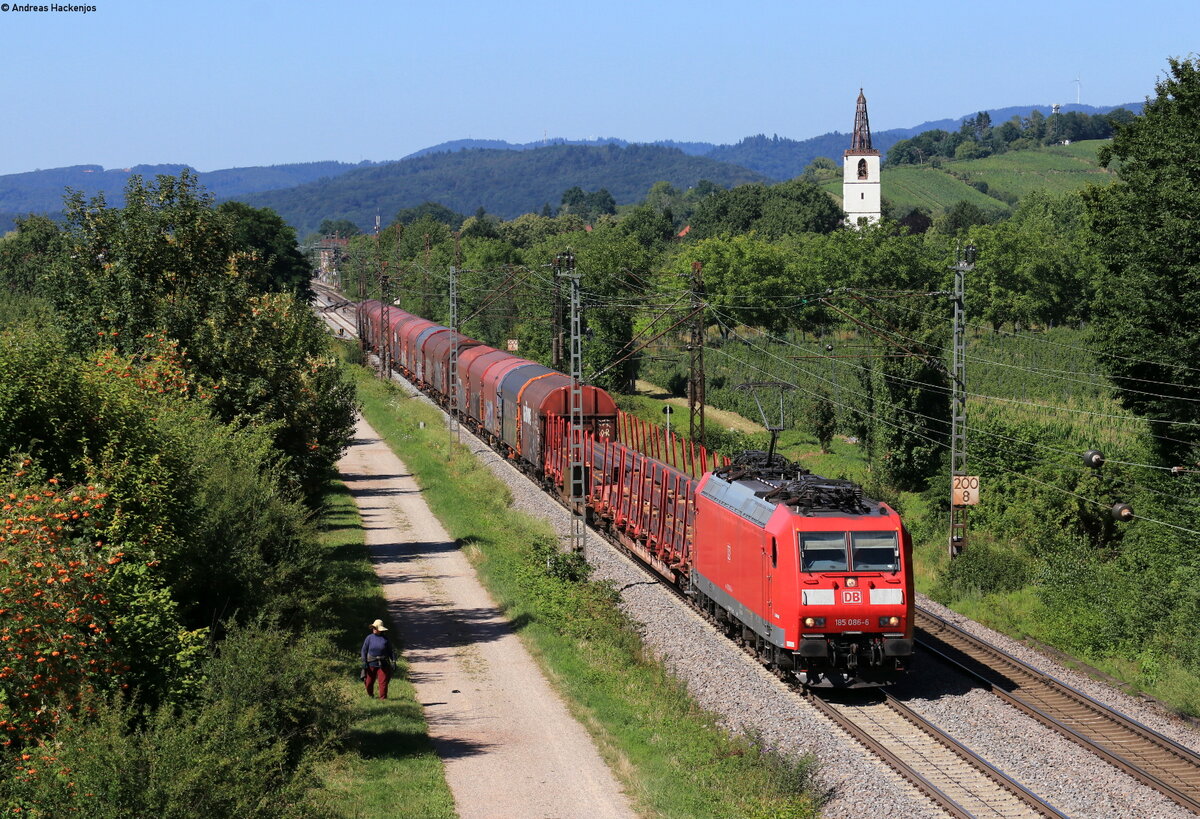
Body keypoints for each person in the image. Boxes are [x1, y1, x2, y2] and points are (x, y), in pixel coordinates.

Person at [360, 618, 396, 699]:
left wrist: (393, 661)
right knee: (368, 682)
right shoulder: (369, 638)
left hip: (383, 664)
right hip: (371, 663)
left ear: (380, 629)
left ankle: (383, 699)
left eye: (375, 628)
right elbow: (364, 650)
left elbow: (391, 651)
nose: (374, 629)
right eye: (373, 628)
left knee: (383, 682)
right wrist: (364, 661)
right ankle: (370, 695)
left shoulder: (386, 639)